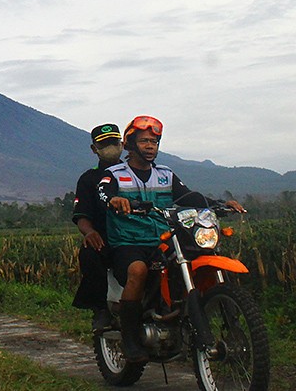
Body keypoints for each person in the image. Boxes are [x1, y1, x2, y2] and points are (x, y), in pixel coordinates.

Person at [98, 115, 245, 362]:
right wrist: (115, 200)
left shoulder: (166, 175)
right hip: (129, 242)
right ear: (131, 144)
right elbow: (103, 192)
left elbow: (188, 196)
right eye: (144, 141)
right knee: (137, 270)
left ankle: (181, 317)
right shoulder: (114, 174)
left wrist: (219, 204)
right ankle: (130, 339)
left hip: (164, 239)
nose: (150, 146)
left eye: (154, 142)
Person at [71, 123, 123, 332]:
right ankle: (101, 308)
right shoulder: (88, 179)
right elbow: (81, 214)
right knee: (89, 253)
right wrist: (90, 232)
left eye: (114, 142)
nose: (110, 147)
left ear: (122, 144)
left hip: (138, 236)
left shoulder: (135, 172)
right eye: (104, 144)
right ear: (94, 149)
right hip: (107, 239)